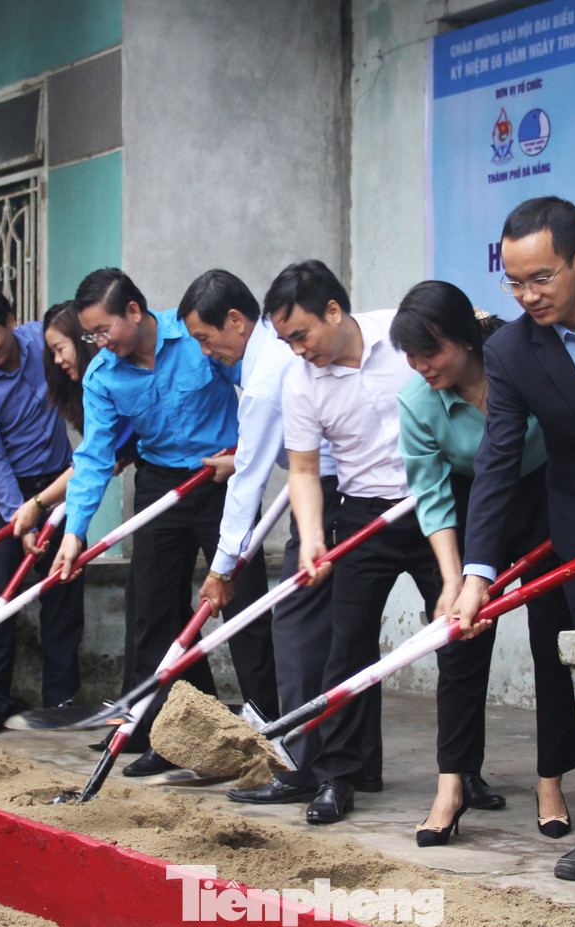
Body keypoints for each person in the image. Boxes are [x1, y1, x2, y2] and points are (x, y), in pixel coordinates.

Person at [454, 196, 575, 881]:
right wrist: (478, 572)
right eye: (513, 282)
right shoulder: (510, 352)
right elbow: (497, 464)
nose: (526, 295)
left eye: (540, 278)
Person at [50, 267, 276, 777]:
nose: (100, 343)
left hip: (220, 480)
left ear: (135, 310)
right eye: (91, 335)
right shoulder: (103, 375)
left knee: (244, 607)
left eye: (104, 329)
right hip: (160, 486)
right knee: (153, 615)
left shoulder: (197, 334)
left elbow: (258, 388)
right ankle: (174, 737)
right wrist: (75, 531)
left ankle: (267, 728)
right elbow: (94, 456)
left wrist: (245, 455)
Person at [390, 280, 575, 847]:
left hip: (549, 495)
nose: (421, 366)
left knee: (554, 640)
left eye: (432, 352)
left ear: (467, 340)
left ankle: (551, 781)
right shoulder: (418, 403)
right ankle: (451, 785)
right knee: (460, 642)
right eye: (411, 356)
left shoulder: (519, 363)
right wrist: (455, 580)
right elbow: (433, 498)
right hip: (477, 504)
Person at [267, 259, 441, 825]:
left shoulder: (402, 335)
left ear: (334, 311)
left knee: (459, 641)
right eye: (286, 340)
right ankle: (338, 776)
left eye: (301, 334)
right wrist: (314, 536)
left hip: (434, 505)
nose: (298, 349)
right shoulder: (301, 384)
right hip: (363, 515)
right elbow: (302, 469)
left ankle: (463, 772)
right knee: (346, 650)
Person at [175, 269, 340, 805]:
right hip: (328, 483)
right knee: (340, 635)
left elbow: (249, 482)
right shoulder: (266, 360)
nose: (204, 352)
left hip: (331, 492)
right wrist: (240, 461)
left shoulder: (268, 375)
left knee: (295, 630)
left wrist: (222, 569)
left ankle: (298, 765)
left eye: (205, 338)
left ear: (237, 321)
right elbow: (255, 458)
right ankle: (352, 769)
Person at [0, 285, 82, 736]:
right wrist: (18, 518)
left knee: (63, 589)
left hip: (60, 483)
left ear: (10, 320)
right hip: (6, 494)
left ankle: (61, 699)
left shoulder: (42, 343)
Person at [3, 301, 138, 731]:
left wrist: (40, 504)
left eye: (61, 349)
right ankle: (149, 716)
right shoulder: (89, 389)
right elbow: (93, 460)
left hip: (192, 477)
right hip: (128, 474)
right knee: (148, 608)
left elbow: (92, 462)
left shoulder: (115, 376)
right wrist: (38, 508)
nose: (59, 362)